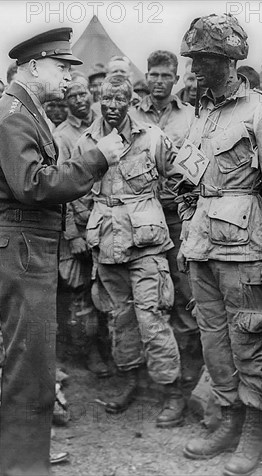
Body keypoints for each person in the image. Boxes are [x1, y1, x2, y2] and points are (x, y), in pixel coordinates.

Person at [0, 27, 124, 476]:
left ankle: (29, 456)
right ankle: (23, 466)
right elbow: (33, 185)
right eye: (62, 68)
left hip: (29, 245)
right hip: (23, 245)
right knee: (29, 362)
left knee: (35, 360)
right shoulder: (14, 115)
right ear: (34, 65)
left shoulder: (23, 109)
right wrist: (97, 158)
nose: (68, 78)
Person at [177, 14, 262, 474]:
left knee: (249, 337)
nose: (196, 68)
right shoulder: (203, 110)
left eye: (204, 59)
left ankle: (257, 425)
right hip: (203, 244)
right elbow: (195, 179)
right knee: (214, 341)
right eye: (194, 59)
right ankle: (229, 416)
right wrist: (189, 224)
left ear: (229, 61)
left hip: (247, 247)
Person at [74, 74, 185, 426]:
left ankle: (172, 392)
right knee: (120, 319)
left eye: (119, 101)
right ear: (97, 99)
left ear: (131, 101)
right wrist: (80, 227)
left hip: (147, 243)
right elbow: (74, 190)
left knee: (152, 318)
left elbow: (182, 179)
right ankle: (130, 380)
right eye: (105, 100)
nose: (111, 107)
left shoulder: (152, 136)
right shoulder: (86, 142)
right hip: (106, 243)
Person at [134, 50, 200, 384]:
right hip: (141, 220)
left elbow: (197, 166)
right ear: (146, 76)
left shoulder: (189, 117)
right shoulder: (131, 115)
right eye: (154, 75)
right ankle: (154, 376)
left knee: (184, 293)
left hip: (176, 216)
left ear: (176, 79)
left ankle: (186, 377)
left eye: (165, 76)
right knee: (147, 295)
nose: (159, 82)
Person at [54, 79, 109, 376]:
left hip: (105, 220)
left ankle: (108, 348)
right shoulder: (60, 136)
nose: (79, 100)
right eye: (72, 96)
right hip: (78, 222)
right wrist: (72, 234)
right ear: (65, 102)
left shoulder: (104, 125)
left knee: (106, 286)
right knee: (80, 292)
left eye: (82, 93)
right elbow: (61, 187)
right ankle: (89, 352)